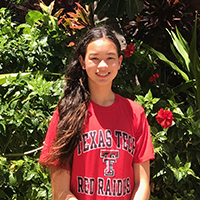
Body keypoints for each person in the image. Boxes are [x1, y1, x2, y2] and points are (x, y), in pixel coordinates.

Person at [39, 26, 155, 200]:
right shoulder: (67, 113)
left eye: (110, 58)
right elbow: (60, 192)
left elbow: (142, 184)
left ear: (119, 62)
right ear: (83, 62)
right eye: (94, 58)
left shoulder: (135, 113)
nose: (103, 65)